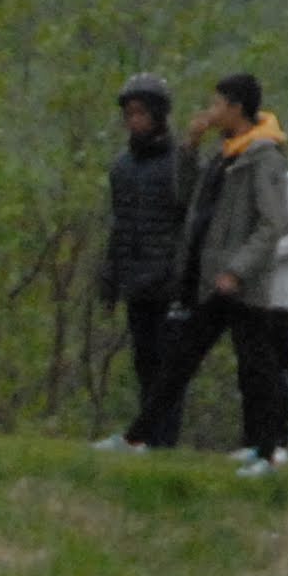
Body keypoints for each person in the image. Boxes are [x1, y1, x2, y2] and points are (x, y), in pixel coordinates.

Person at [171, 73, 288, 474]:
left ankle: (270, 450)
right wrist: (189, 148)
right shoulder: (224, 154)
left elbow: (275, 224)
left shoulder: (264, 157)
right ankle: (143, 435)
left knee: (259, 367)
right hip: (213, 278)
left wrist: (238, 268)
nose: (210, 112)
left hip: (244, 284)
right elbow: (185, 197)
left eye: (217, 104)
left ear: (235, 107)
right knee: (191, 358)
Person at [94, 73, 200, 451]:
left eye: (141, 113)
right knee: (144, 364)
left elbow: (191, 220)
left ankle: (162, 441)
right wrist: (110, 278)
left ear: (158, 115)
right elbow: (119, 227)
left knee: (168, 368)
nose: (135, 120)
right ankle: (147, 439)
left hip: (169, 282)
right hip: (136, 279)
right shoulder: (122, 168)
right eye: (130, 114)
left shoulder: (178, 164)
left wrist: (184, 277)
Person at [242, 166, 288, 477]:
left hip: (279, 297)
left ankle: (280, 441)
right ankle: (254, 439)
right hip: (250, 295)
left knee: (279, 369)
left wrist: (262, 253)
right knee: (250, 368)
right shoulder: (243, 187)